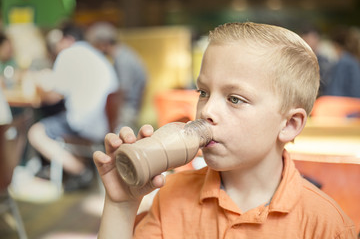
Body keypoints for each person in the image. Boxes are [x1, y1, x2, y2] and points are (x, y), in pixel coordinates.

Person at [93, 22, 356, 238]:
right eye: (203, 92)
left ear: (289, 125)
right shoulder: (171, 195)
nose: (206, 110)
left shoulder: (325, 226)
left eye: (234, 99)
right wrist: (121, 205)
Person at [28, 22, 119, 191]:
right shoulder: (97, 55)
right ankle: (80, 169)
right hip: (104, 124)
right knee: (60, 119)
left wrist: (40, 84)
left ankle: (80, 171)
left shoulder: (68, 54)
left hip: (85, 124)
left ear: (67, 39)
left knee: (36, 132)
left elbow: (54, 95)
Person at [86, 22, 147, 133]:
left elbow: (122, 91)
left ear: (103, 44)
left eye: (95, 46)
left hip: (127, 111)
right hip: (129, 109)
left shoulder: (123, 60)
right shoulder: (124, 54)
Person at [323, 26, 360, 98]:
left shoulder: (344, 63)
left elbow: (335, 92)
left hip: (342, 106)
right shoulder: (353, 61)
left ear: (335, 44)